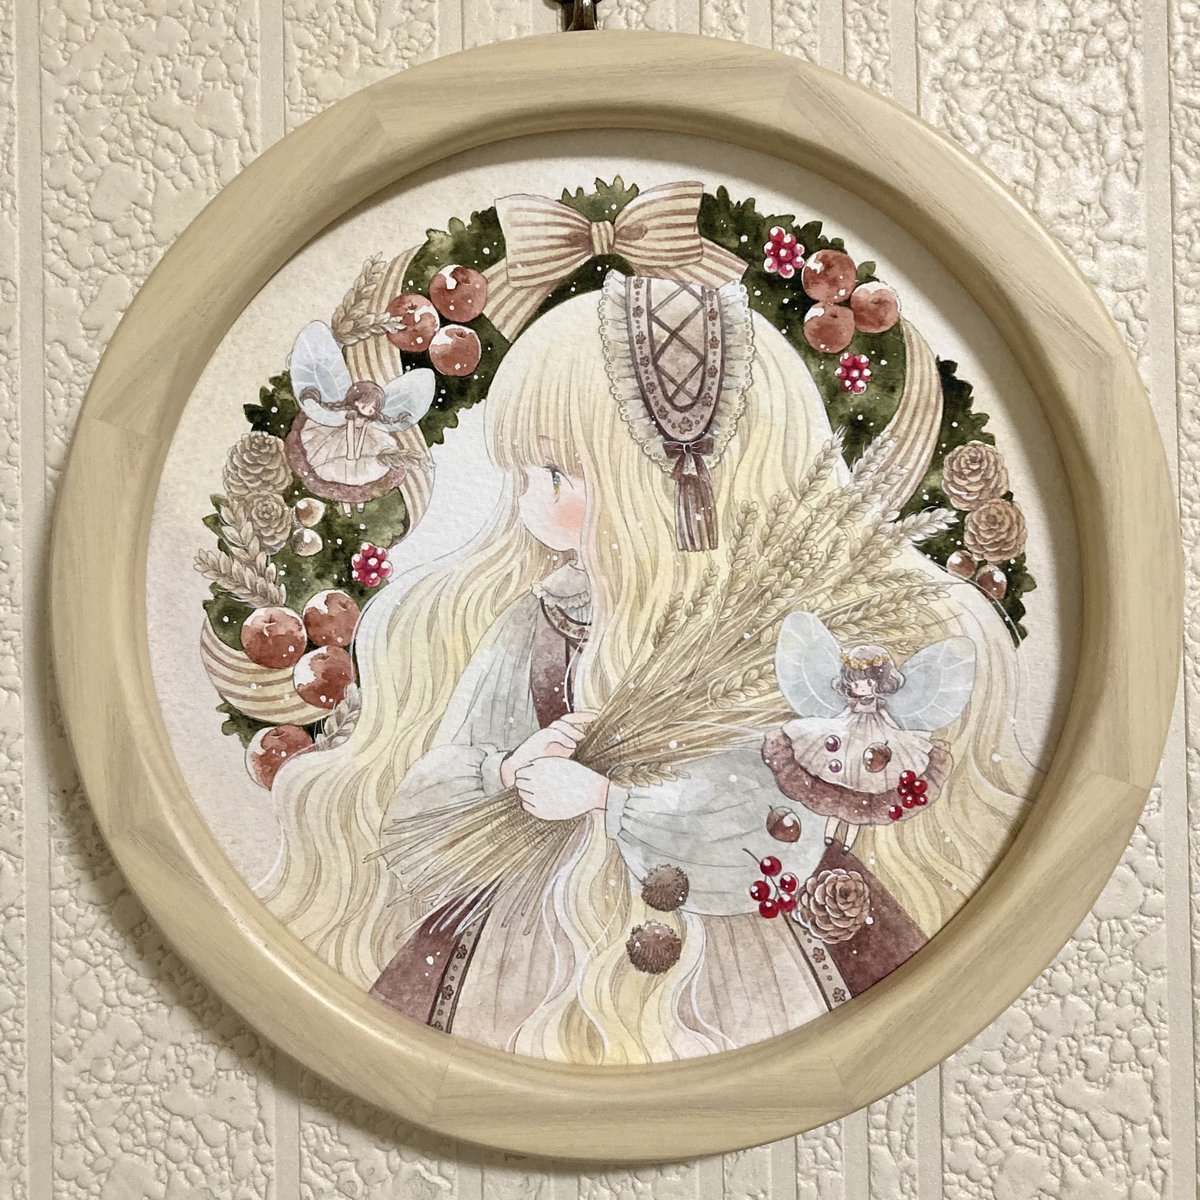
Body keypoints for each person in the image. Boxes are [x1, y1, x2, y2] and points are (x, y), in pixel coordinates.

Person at [261, 274, 1034, 1064]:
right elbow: (419, 810)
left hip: (735, 936)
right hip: (534, 932)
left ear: (652, 485)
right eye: (523, 474)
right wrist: (506, 771)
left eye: (554, 475)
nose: (527, 501)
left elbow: (769, 821)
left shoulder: (755, 642)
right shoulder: (541, 621)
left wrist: (607, 800)